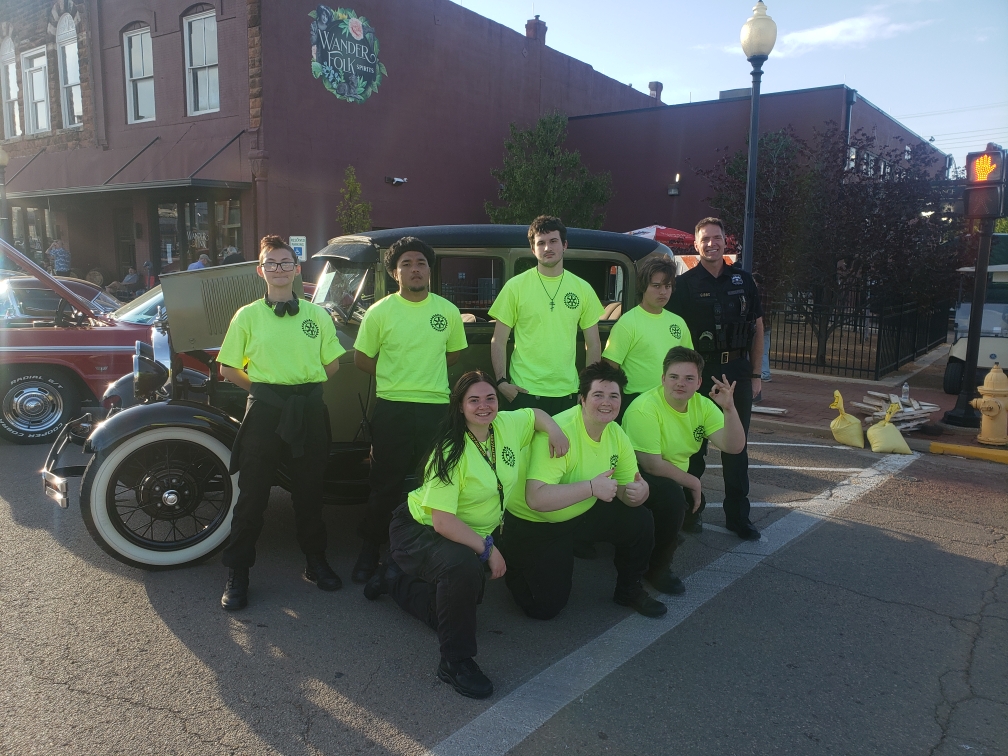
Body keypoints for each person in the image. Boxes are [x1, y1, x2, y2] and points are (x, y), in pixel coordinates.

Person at [363, 371, 569, 699]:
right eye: (474, 400)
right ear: (460, 406)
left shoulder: (506, 425)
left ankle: (393, 580)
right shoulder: (450, 451)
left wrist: (556, 431)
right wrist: (488, 550)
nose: (484, 406)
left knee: (454, 608)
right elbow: (443, 521)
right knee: (463, 571)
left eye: (490, 398)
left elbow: (538, 415)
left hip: (465, 532)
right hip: (421, 530)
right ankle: (455, 662)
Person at [216, 235, 346, 610]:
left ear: (296, 269)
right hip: (265, 412)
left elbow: (332, 364)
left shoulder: (317, 315)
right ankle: (238, 572)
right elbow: (227, 368)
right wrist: (265, 390)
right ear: (261, 271)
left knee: (310, 492)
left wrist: (299, 391)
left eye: (285, 262)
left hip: (307, 410)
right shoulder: (247, 316)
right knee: (253, 496)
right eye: (271, 263)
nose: (278, 269)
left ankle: (315, 562)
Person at [501, 361, 667, 620]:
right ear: (582, 399)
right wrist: (591, 487)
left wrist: (639, 492)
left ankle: (628, 590)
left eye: (614, 396)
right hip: (535, 522)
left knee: (640, 518)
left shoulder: (616, 434)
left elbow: (625, 492)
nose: (606, 402)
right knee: (544, 609)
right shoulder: (559, 432)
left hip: (579, 513)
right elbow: (536, 498)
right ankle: (513, 557)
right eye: (598, 395)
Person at [351, 236, 468, 584]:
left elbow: (453, 355)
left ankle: (427, 553)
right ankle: (370, 551)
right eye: (406, 264)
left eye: (420, 263)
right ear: (394, 272)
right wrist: (397, 376)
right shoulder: (379, 312)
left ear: (429, 270)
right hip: (392, 409)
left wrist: (422, 375)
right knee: (384, 486)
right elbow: (362, 359)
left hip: (435, 410)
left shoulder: (446, 311)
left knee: (434, 483)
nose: (414, 269)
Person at [667, 218, 764, 540]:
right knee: (694, 446)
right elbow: (676, 334)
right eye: (705, 239)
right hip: (700, 372)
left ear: (726, 242)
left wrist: (755, 374)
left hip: (736, 371)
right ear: (696, 245)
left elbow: (758, 328)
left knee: (736, 449)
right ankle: (691, 511)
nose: (711, 244)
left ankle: (738, 517)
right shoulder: (685, 284)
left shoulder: (744, 280)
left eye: (717, 238)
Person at [621, 347, 747, 594]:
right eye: (674, 377)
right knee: (672, 498)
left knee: (675, 500)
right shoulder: (644, 408)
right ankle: (656, 568)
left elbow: (734, 446)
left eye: (689, 378)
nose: (681, 384)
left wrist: (729, 409)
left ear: (699, 382)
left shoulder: (702, 405)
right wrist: (694, 482)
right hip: (633, 475)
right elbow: (651, 465)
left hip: (669, 474)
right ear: (662, 379)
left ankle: (658, 536)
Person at [489, 215, 604, 415]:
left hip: (568, 393)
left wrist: (588, 387)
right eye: (540, 243)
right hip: (524, 391)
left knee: (563, 448)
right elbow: (498, 340)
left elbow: (593, 343)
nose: (547, 248)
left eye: (553, 241)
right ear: (533, 249)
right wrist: (501, 382)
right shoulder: (515, 287)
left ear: (564, 245)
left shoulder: (583, 289)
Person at [602, 254, 693, 421]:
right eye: (656, 286)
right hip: (636, 403)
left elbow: (689, 366)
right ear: (643, 286)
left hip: (671, 402)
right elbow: (610, 368)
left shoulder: (678, 323)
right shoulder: (627, 323)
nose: (663, 292)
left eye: (668, 286)